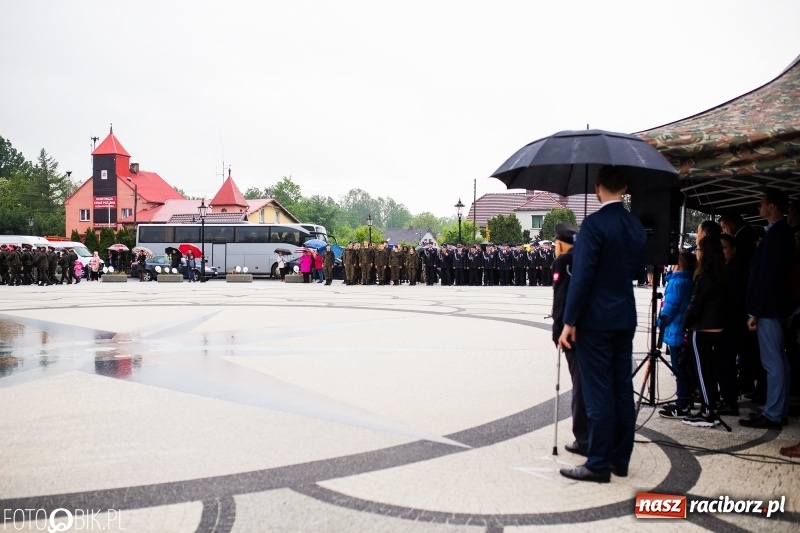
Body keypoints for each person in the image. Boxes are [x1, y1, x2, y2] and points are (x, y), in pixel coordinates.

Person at [557, 166, 646, 483]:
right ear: (624, 187)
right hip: (624, 314)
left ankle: (597, 463)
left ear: (597, 187)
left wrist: (570, 320)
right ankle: (620, 459)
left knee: (597, 392)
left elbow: (582, 276)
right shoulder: (635, 225)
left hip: (596, 320)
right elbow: (636, 267)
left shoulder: (594, 225)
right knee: (622, 389)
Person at [740, 188, 795, 430]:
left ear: (772, 206)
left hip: (769, 306)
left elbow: (767, 276)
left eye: (761, 202)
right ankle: (777, 409)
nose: (759, 207)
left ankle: (773, 413)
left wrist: (755, 310)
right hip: (774, 304)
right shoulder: (779, 233)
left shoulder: (778, 234)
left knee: (773, 362)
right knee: (778, 360)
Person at [682, 236, 729, 428]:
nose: (696, 253)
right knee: (709, 370)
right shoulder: (721, 274)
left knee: (702, 372)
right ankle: (710, 407)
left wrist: (684, 324)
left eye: (698, 250)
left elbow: (695, 306)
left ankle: (707, 412)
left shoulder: (705, 276)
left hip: (702, 328)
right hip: (718, 327)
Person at [551, 223, 588, 457]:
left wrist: (557, 331)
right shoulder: (587, 258)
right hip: (592, 330)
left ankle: (583, 438)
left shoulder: (563, 261)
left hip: (572, 332)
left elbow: (561, 299)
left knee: (580, 385)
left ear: (561, 244)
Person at [657, 251, 697, 419]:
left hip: (676, 330)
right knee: (685, 367)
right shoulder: (689, 279)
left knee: (679, 369)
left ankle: (683, 403)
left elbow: (670, 307)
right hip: (683, 329)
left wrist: (659, 321)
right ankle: (686, 399)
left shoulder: (677, 282)